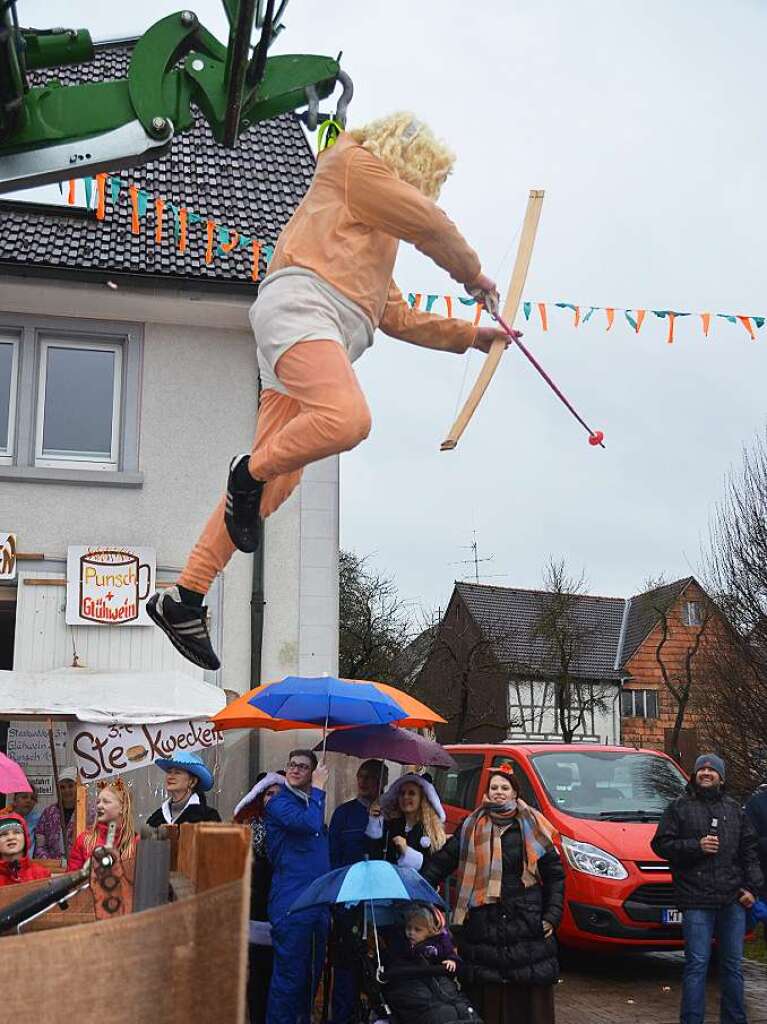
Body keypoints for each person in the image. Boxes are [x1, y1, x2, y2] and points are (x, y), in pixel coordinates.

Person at [146, 111, 520, 672]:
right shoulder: (351, 163)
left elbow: (395, 315)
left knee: (279, 483)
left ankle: (185, 596)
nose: (416, 190)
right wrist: (474, 277)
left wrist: (471, 336)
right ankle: (244, 472)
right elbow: (431, 224)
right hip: (303, 310)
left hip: (310, 338)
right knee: (347, 418)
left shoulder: (370, 234)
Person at [422, 765, 564, 1024]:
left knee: (525, 997)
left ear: (514, 793)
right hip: (483, 923)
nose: (499, 792)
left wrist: (552, 915)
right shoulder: (471, 825)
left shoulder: (532, 825)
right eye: (494, 788)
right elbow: (443, 861)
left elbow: (555, 875)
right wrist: (419, 888)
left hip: (526, 924)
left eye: (504, 788)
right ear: (487, 793)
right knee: (487, 993)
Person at [652, 753, 763, 1024]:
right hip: (696, 900)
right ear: (694, 775)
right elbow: (661, 845)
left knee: (733, 967)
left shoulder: (735, 810)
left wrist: (753, 889)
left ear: (721, 777)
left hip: (732, 900)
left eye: (712, 770)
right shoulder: (678, 807)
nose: (706, 773)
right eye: (701, 768)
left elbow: (749, 851)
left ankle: (735, 1020)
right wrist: (695, 846)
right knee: (697, 966)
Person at [265, 749, 330, 1024]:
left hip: (316, 903)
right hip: (291, 903)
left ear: (311, 771)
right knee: (289, 979)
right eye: (292, 764)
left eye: (303, 767)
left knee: (309, 978)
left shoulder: (310, 803)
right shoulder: (280, 803)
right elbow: (309, 824)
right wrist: (318, 789)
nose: (295, 770)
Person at [329, 759, 389, 1024]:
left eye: (371, 777)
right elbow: (332, 857)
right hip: (348, 899)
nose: (364, 782)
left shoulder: (392, 813)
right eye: (361, 776)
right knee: (346, 963)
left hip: (380, 901)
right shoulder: (343, 814)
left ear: (383, 782)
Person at [234, 771, 286, 1024]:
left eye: (279, 794)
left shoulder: (295, 830)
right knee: (257, 976)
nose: (273, 799)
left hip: (286, 910)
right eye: (268, 794)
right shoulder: (251, 830)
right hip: (258, 911)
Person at [379, 904, 481, 1024]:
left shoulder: (438, 944)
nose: (411, 933)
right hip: (414, 984)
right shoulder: (402, 946)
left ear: (429, 932)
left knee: (457, 1005)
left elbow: (451, 956)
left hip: (438, 983)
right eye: (408, 928)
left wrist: (452, 961)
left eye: (417, 930)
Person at [366, 772, 446, 870]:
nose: (405, 797)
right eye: (402, 793)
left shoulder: (431, 831)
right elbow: (373, 855)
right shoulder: (391, 825)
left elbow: (435, 869)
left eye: (411, 793)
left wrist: (407, 852)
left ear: (421, 798)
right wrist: (374, 823)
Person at [68, 778, 139, 872]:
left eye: (106, 802)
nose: (99, 806)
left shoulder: (136, 842)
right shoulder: (85, 841)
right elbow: (71, 880)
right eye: (98, 802)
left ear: (122, 807)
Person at [146, 751, 222, 826]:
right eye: (169, 772)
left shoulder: (209, 817)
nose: (170, 777)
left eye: (177, 772)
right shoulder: (156, 818)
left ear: (192, 781)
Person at [34, 767, 78, 860]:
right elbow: (40, 844)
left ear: (77, 786)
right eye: (62, 787)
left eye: (70, 786)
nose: (66, 790)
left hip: (79, 866)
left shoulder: (87, 812)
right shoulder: (49, 813)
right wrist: (47, 859)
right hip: (53, 867)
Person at [0, 813, 51, 886]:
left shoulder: (41, 874)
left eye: (17, 832)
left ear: (25, 838)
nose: (11, 838)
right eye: (4, 834)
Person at [9, 784, 41, 856]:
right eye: (24, 797)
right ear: (14, 800)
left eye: (33, 798)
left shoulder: (38, 819)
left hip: (29, 863)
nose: (29, 801)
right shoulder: (5, 820)